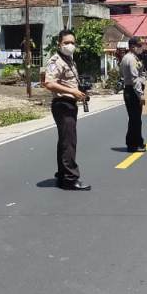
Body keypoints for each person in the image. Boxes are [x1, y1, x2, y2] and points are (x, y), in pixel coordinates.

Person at [42, 29, 91, 190]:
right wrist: (72, 92)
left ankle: (62, 174)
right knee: (69, 142)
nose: (70, 45)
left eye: (72, 42)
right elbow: (48, 83)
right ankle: (70, 179)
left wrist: (79, 93)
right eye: (66, 42)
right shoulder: (56, 61)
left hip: (70, 103)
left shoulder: (69, 60)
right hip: (62, 104)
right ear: (59, 44)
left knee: (64, 141)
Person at [120, 37, 147, 152]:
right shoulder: (131, 59)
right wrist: (140, 95)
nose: (141, 48)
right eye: (139, 45)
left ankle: (136, 142)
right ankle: (133, 144)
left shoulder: (129, 58)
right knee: (135, 119)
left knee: (135, 119)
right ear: (132, 46)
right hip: (132, 91)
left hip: (131, 90)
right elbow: (134, 79)